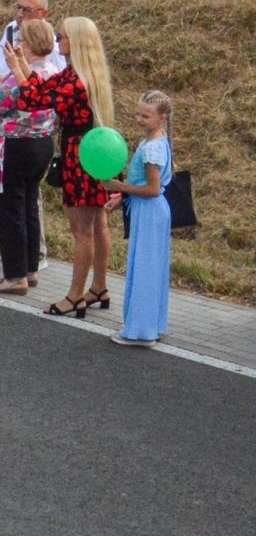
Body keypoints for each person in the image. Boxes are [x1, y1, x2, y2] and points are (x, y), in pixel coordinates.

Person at [7, 17, 116, 319]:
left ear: (76, 42)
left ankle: (75, 295)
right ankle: (99, 287)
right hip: (96, 149)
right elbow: (43, 87)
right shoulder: (82, 74)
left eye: (62, 36)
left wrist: (16, 68)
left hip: (79, 153)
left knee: (81, 231)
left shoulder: (76, 81)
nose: (58, 41)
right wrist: (22, 64)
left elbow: (33, 100)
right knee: (98, 224)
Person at [0, 0, 63, 265]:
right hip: (35, 138)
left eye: (26, 10)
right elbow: (20, 88)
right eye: (17, 8)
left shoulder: (40, 66)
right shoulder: (41, 69)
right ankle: (27, 263)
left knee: (13, 205)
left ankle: (18, 269)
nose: (19, 15)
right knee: (25, 203)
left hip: (15, 139)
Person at [104, 90, 175, 347]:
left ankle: (142, 331)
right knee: (150, 268)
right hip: (151, 209)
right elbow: (146, 185)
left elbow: (152, 189)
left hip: (149, 210)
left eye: (146, 116)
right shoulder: (155, 141)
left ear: (162, 118)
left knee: (145, 268)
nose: (139, 119)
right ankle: (150, 324)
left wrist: (119, 188)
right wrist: (122, 197)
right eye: (138, 114)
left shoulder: (152, 148)